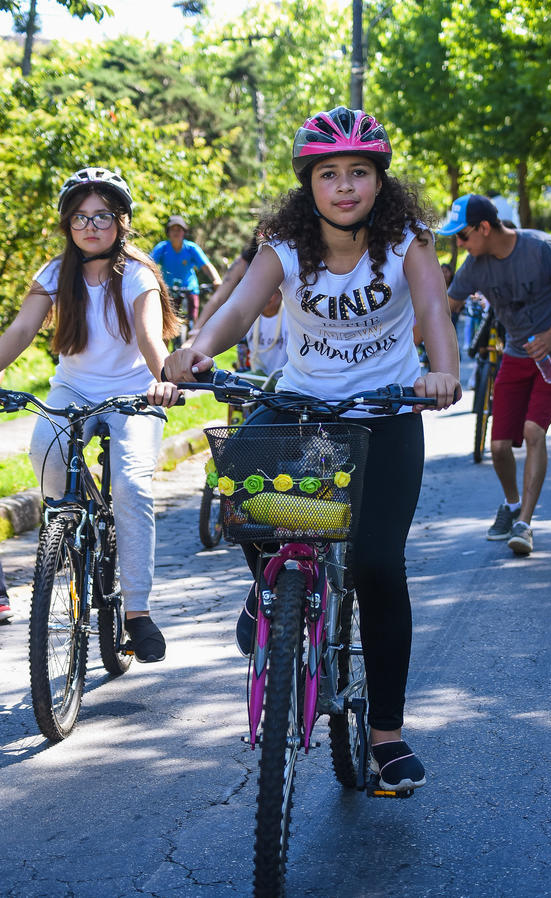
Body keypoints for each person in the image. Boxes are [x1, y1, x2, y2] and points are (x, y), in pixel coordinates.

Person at [164, 105, 461, 793]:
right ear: (310, 184)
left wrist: (440, 372)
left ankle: (385, 736)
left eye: (360, 171)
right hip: (301, 402)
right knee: (241, 483)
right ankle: (267, 588)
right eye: (330, 174)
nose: (346, 186)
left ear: (379, 182)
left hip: (387, 412)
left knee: (378, 564)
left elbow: (434, 311)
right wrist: (199, 348)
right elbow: (239, 308)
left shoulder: (408, 239)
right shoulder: (285, 245)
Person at [0, 167, 181, 661]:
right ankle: (72, 529)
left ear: (122, 222)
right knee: (45, 452)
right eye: (80, 217)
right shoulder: (56, 275)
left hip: (134, 392)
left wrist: (164, 378)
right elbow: (18, 334)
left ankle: (137, 613)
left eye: (102, 216)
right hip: (73, 388)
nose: (91, 226)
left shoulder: (138, 274)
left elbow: (149, 336)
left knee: (131, 485)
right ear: (67, 225)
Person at [440, 193, 551, 556]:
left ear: (484, 227)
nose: (458, 245)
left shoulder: (542, 249)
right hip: (515, 354)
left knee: (533, 431)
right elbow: (445, 308)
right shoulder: (474, 265)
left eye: (462, 236)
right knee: (497, 447)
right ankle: (512, 506)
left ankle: (524, 523)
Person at [151, 215, 222, 329]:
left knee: (193, 322)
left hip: (190, 287)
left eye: (179, 230)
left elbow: (206, 265)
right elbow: (149, 265)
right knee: (167, 326)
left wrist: (216, 279)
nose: (176, 232)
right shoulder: (162, 248)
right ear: (168, 232)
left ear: (184, 232)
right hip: (169, 289)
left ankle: (191, 337)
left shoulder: (191, 248)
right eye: (173, 229)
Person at [245, 288, 288, 376]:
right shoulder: (249, 315)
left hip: (285, 378)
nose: (265, 296)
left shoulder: (291, 316)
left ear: (282, 294)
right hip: (258, 375)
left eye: (272, 292)